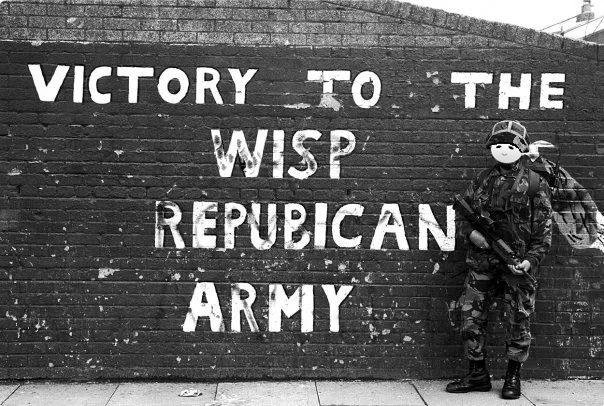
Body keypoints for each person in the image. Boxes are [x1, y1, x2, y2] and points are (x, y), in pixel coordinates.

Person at [446, 120, 553, 399]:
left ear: (521, 148)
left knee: (518, 320)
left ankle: (512, 377)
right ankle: (477, 375)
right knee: (470, 317)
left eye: (510, 145)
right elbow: (463, 216)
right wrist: (471, 234)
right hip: (482, 262)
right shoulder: (483, 180)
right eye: (499, 144)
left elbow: (544, 233)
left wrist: (530, 260)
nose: (504, 150)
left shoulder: (534, 183)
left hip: (516, 265)